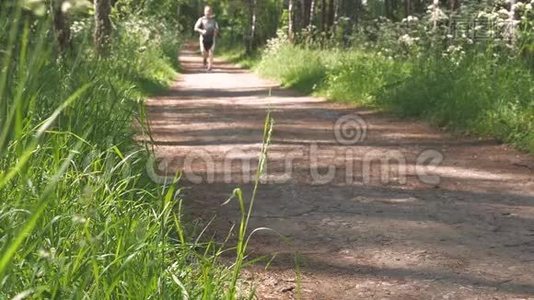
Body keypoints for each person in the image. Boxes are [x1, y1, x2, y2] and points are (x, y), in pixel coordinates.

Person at [194, 6, 219, 71]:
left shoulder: (214, 21)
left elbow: (216, 29)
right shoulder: (201, 19)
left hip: (211, 39)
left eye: (209, 11)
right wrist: (201, 31)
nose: (208, 13)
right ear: (204, 12)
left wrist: (216, 32)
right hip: (203, 38)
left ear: (211, 12)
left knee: (211, 52)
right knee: (203, 52)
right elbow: (195, 28)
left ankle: (210, 66)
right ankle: (204, 58)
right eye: (206, 11)